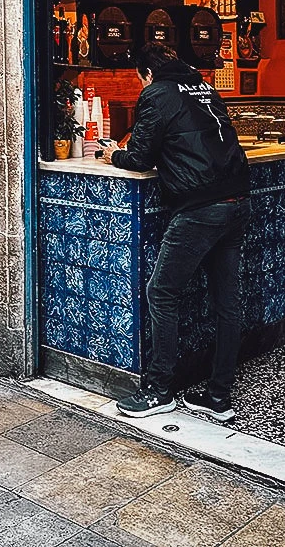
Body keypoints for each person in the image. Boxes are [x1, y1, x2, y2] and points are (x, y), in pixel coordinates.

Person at [99, 42, 250, 421]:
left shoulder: (156, 92)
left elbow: (139, 158)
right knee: (226, 303)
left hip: (200, 207)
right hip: (237, 200)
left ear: (146, 74)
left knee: (161, 292)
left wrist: (110, 155)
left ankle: (158, 390)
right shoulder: (205, 88)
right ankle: (219, 398)